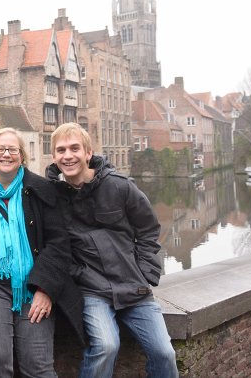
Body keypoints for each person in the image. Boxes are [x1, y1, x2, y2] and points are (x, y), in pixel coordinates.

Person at [46, 123, 178, 378]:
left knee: (165, 353)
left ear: (88, 153)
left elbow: (149, 229)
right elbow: (53, 246)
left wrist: (146, 272)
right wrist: (79, 274)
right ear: (54, 157)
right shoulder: (52, 197)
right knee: (106, 346)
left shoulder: (119, 186)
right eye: (61, 150)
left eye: (74, 148)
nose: (68, 155)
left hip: (134, 287)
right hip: (92, 290)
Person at [0, 127, 83, 378]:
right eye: (0, 149)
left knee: (37, 365)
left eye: (13, 149)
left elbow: (59, 243)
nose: (6, 154)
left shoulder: (40, 189)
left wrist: (46, 288)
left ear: (22, 156)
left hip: (33, 283)